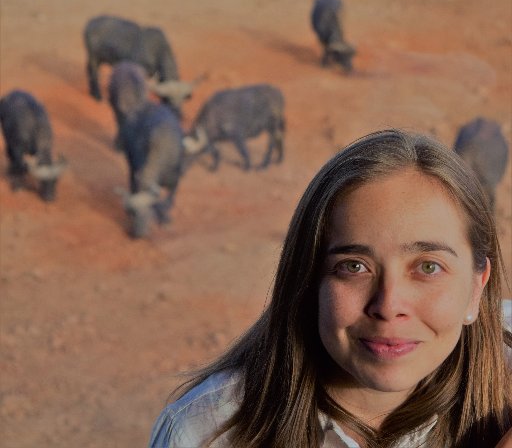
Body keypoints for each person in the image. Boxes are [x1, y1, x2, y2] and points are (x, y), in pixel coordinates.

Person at [148, 129, 512, 448]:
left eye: (428, 267)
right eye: (353, 267)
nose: (388, 305)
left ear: (476, 290)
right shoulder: (204, 434)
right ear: (306, 281)